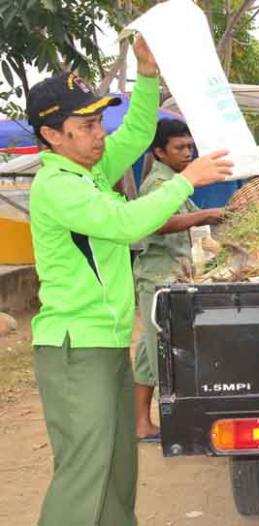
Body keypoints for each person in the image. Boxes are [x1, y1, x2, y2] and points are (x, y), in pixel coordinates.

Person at [28, 37, 233, 526]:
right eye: (86, 127)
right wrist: (188, 180)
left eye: (99, 123)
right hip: (76, 349)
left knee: (117, 469)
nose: (99, 136)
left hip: (103, 343)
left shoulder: (89, 173)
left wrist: (145, 76)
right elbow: (127, 225)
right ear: (53, 136)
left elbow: (139, 131)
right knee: (86, 473)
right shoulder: (58, 187)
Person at [133, 119, 224, 441]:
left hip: (169, 273)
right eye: (180, 148)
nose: (188, 153)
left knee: (148, 351)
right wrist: (204, 215)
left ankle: (141, 424)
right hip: (159, 277)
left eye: (190, 146)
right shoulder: (159, 183)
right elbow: (158, 223)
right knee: (164, 353)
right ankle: (177, 427)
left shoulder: (175, 180)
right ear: (159, 152)